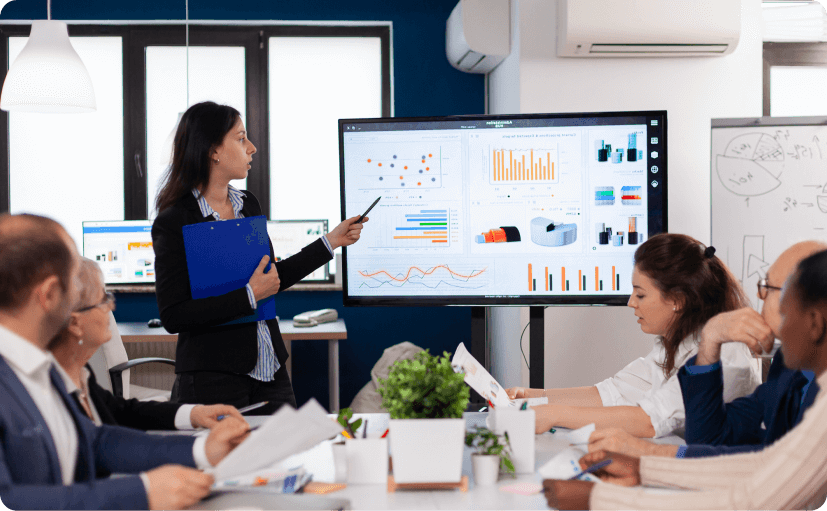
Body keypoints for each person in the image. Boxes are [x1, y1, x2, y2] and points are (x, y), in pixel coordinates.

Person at [543, 248, 827, 511]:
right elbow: (735, 449)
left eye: (769, 290)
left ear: (814, 322)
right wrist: (643, 468)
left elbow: (757, 493)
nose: (758, 302)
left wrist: (600, 497)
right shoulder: (788, 370)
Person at [0, 213, 249, 510]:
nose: (79, 297)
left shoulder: (40, 367)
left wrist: (202, 449)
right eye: (73, 284)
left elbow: (94, 441)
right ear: (50, 294)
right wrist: (143, 492)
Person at [152, 101, 367, 415]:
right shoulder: (175, 220)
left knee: (290, 447)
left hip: (270, 369)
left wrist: (332, 241)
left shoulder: (247, 204)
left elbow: (272, 278)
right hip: (213, 379)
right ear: (213, 151)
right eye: (241, 138)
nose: (251, 148)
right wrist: (249, 296)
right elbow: (173, 316)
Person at [587, 240, 826, 459]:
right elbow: (708, 437)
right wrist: (710, 339)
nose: (758, 295)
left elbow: (780, 463)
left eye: (768, 287)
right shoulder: (787, 366)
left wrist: (649, 454)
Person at [507, 233, 760, 437]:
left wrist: (553, 414)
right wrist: (531, 396)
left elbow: (649, 421)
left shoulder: (724, 356)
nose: (631, 303)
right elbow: (612, 393)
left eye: (640, 294)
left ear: (677, 300)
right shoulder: (678, 342)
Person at [50, 256, 245, 431]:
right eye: (103, 299)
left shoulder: (82, 374)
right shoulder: (50, 393)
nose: (111, 307)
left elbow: (121, 411)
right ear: (74, 323)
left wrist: (193, 414)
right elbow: (102, 443)